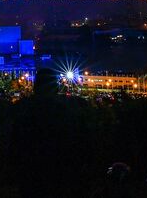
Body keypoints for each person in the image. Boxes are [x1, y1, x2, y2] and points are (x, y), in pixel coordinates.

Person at [10, 68, 93, 198]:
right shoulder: (70, 108)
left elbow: (14, 142)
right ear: (56, 86)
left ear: (36, 86)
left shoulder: (22, 109)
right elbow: (83, 139)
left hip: (32, 172)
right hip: (62, 171)